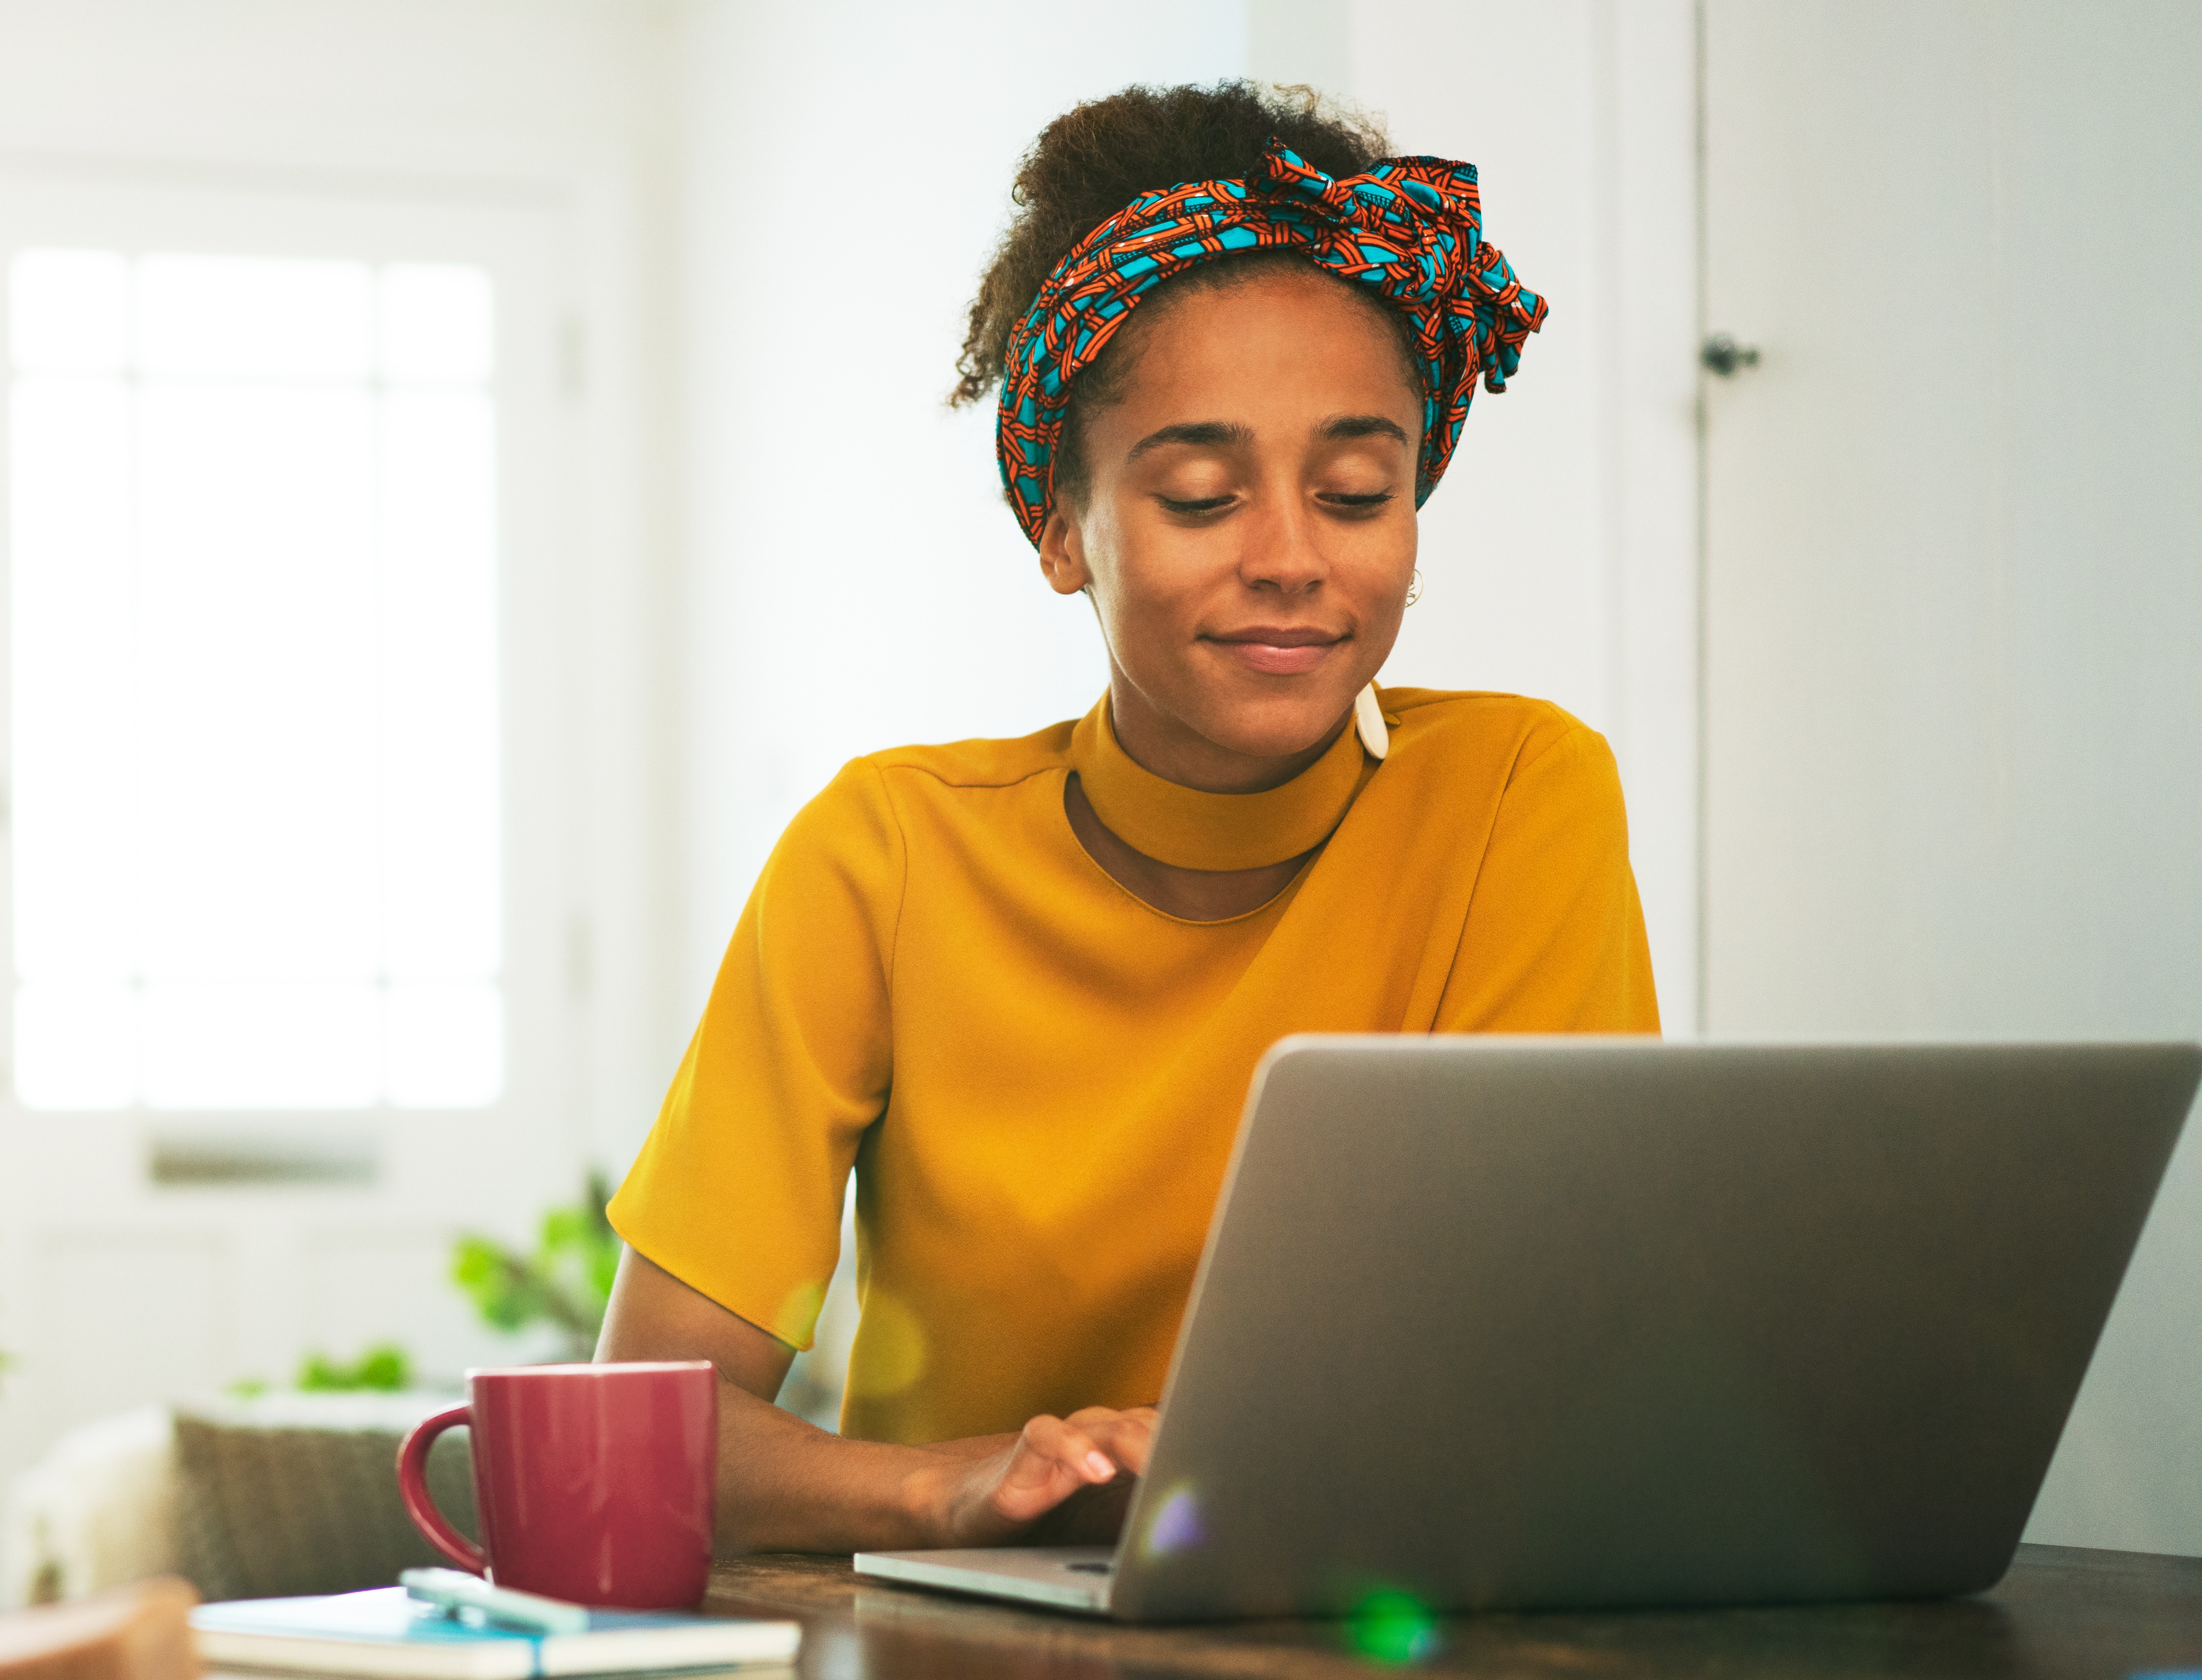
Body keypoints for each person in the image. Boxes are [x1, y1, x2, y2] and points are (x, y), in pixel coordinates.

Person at [593, 81, 1659, 1555]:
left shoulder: (1515, 796)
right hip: (962, 1657)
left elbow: (1554, 1376)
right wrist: (958, 1485)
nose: (1292, 558)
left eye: (1358, 491)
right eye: (1204, 497)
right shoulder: (887, 854)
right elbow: (643, 1422)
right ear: (1056, 527)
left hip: (1382, 1642)